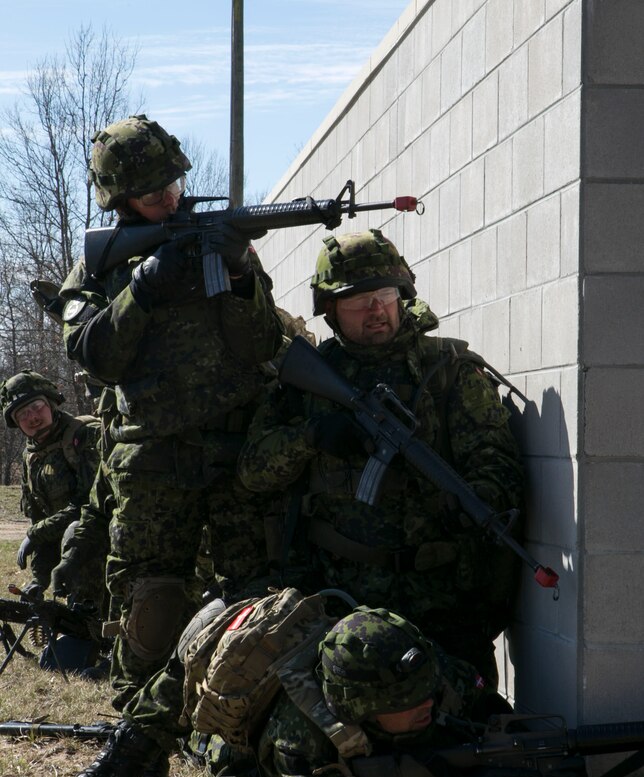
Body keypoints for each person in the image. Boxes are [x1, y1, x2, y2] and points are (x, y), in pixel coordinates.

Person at [57, 114, 284, 728]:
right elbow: (95, 356)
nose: (169, 198)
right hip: (151, 458)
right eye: (152, 191)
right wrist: (142, 291)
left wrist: (240, 274)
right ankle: (140, 737)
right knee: (151, 601)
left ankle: (237, 734)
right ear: (118, 198)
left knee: (251, 597)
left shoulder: (223, 244)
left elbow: (263, 344)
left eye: (173, 185)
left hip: (238, 454)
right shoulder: (99, 266)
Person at [27, 605, 587, 777]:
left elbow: (478, 704)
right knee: (186, 697)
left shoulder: (424, 672)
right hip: (228, 735)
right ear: (360, 708)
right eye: (408, 703)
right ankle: (123, 767)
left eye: (427, 693)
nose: (428, 705)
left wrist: (530, 762)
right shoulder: (300, 734)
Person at [237, 228, 525, 684]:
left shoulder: (447, 371)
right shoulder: (307, 382)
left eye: (386, 295)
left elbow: (498, 459)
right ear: (330, 310)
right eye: (358, 300)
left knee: (465, 713)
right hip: (339, 599)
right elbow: (252, 471)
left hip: (443, 600)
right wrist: (312, 436)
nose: (375, 309)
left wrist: (474, 500)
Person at [0, 369, 106, 670]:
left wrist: (36, 533)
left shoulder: (84, 435)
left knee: (76, 530)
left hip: (104, 541)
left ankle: (97, 630)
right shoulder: (31, 456)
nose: (32, 417)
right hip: (73, 551)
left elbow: (91, 506)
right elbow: (40, 520)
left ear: (51, 403)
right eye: (23, 414)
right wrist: (39, 579)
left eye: (37, 407)